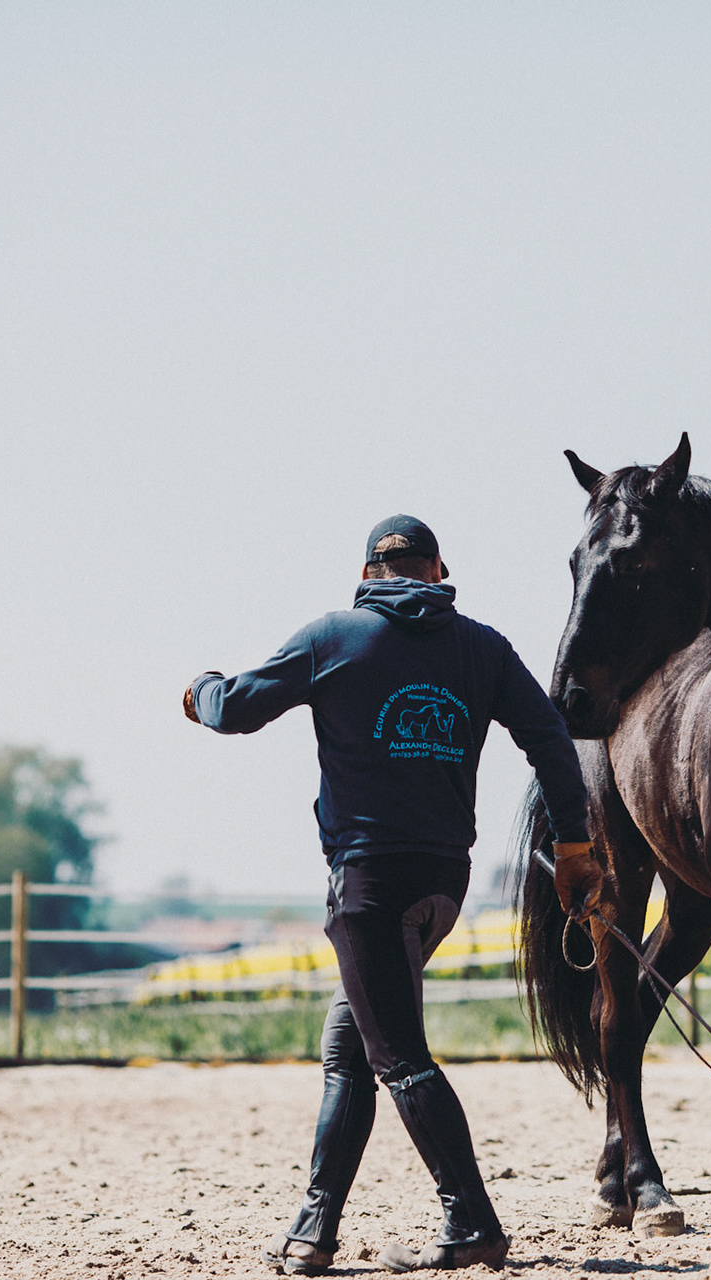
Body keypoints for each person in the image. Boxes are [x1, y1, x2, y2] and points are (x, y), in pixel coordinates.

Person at [183, 515, 609, 1274]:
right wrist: (573, 846)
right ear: (438, 572)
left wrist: (203, 688)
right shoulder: (483, 647)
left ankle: (472, 1220)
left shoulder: (333, 639)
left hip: (369, 883)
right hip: (444, 883)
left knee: (401, 1059)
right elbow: (550, 736)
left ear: (368, 573)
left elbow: (235, 712)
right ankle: (313, 1232)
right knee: (351, 1048)